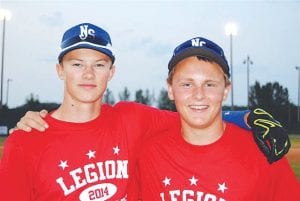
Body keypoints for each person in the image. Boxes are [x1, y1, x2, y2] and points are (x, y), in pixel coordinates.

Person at [0, 23, 290, 200]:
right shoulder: (26, 141)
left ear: (111, 72)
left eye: (99, 64)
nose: (88, 74)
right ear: (59, 70)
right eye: (77, 64)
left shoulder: (131, 119)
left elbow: (195, 112)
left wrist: (247, 117)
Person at [135, 36, 300, 200]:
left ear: (226, 90)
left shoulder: (264, 152)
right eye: (187, 84)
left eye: (209, 84)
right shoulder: (147, 154)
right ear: (170, 89)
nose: (199, 95)